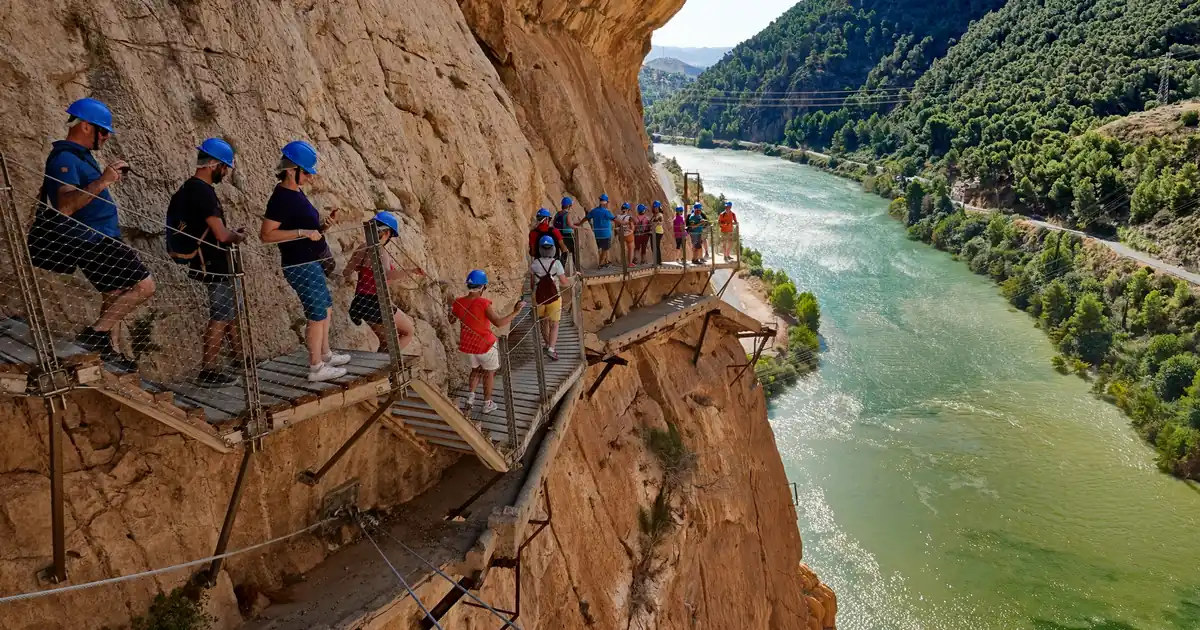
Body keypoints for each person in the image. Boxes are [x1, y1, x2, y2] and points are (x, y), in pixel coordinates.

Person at [30, 97, 156, 369]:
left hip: (101, 236)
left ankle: (108, 353)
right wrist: (104, 180)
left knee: (115, 293)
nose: (107, 136)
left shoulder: (80, 157)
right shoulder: (63, 159)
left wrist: (106, 175)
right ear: (86, 126)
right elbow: (66, 205)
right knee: (145, 286)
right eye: (103, 130)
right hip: (92, 239)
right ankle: (95, 335)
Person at [260, 140, 349, 382]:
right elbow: (266, 234)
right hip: (299, 264)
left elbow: (308, 230)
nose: (310, 177)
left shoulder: (295, 193)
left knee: (325, 307)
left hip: (310, 261)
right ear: (292, 170)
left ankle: (325, 354)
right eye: (307, 172)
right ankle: (316, 367)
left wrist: (322, 227)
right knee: (316, 313)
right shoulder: (281, 198)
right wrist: (302, 232)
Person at [165, 138, 245, 386]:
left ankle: (240, 359)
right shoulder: (203, 192)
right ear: (214, 164)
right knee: (221, 314)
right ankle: (208, 370)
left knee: (230, 312)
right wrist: (237, 235)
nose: (225, 172)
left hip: (210, 260)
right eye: (225, 167)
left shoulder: (189, 188)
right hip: (214, 262)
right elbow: (220, 234)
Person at [344, 211, 422, 353]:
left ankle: (383, 369)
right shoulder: (381, 251)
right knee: (408, 331)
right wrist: (410, 271)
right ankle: (390, 367)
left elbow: (347, 272)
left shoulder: (362, 248)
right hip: (378, 304)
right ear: (386, 233)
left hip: (360, 303)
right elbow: (386, 274)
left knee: (385, 342)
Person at [452, 270, 525, 414]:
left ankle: (470, 398)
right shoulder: (483, 303)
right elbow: (498, 323)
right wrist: (516, 311)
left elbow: (451, 319)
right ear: (483, 287)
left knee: (475, 371)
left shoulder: (458, 302)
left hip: (467, 346)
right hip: (485, 345)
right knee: (489, 373)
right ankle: (487, 403)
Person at [530, 236, 573, 361]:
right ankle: (551, 349)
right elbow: (564, 282)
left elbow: (532, 284)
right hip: (554, 298)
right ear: (553, 249)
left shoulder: (534, 264)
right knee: (554, 324)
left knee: (543, 321)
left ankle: (547, 344)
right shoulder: (556, 263)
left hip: (539, 298)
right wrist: (574, 279)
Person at [579, 194, 615, 268]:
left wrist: (580, 223)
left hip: (597, 234)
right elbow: (615, 219)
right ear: (606, 202)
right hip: (606, 234)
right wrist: (624, 223)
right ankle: (601, 264)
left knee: (600, 248)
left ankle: (605, 262)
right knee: (605, 249)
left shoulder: (594, 211)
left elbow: (586, 217)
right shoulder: (606, 212)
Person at [553, 197, 577, 271]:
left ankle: (559, 269)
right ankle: (575, 268)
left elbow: (554, 224)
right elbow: (570, 225)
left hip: (558, 235)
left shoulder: (557, 214)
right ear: (569, 206)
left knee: (559, 252)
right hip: (567, 235)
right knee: (573, 251)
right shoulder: (567, 214)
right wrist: (578, 228)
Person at [617, 202, 635, 267]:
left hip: (620, 234)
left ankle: (623, 263)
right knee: (631, 249)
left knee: (622, 249)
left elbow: (617, 226)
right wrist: (631, 231)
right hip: (628, 234)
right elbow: (632, 227)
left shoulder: (618, 217)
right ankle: (630, 263)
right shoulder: (629, 217)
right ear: (628, 210)